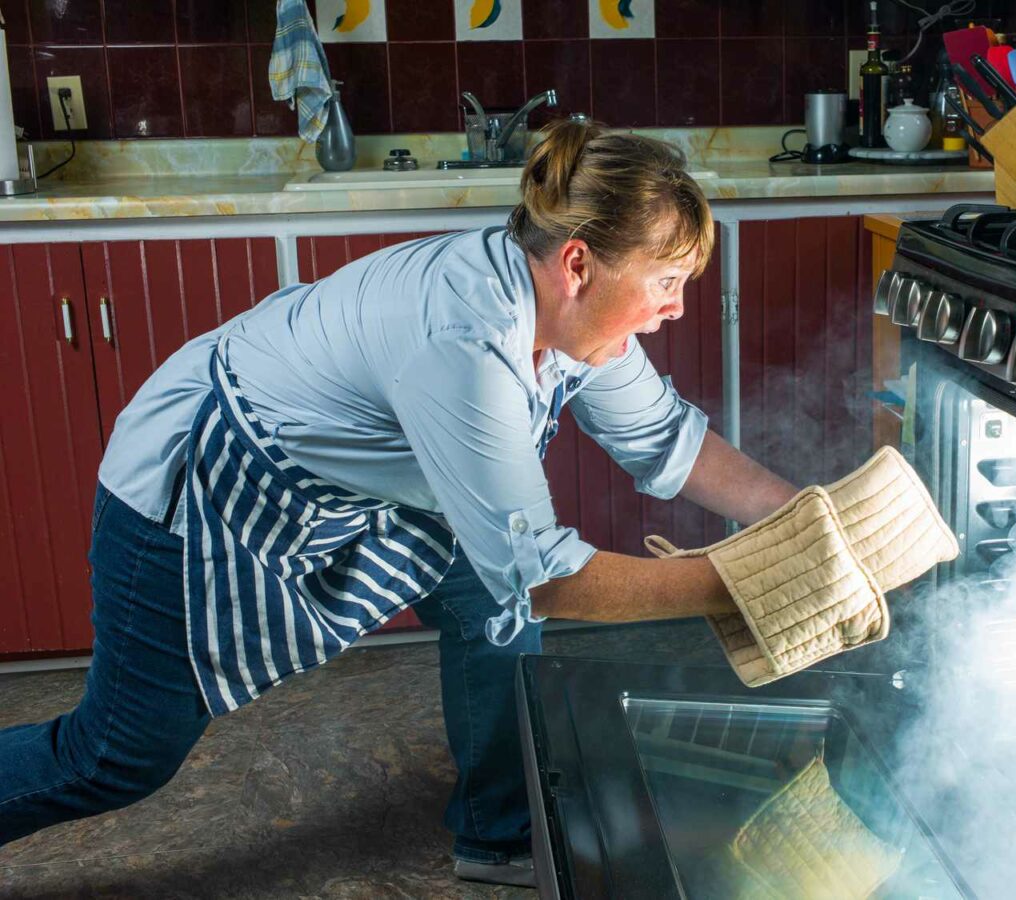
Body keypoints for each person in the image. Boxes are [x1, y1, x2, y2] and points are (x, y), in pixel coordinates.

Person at [0, 120, 799, 887]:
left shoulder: (572, 316)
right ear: (579, 264)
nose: (676, 308)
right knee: (114, 756)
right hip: (198, 483)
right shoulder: (463, 340)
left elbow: (665, 439)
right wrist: (752, 579)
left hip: (339, 480)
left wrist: (803, 519)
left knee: (490, 600)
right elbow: (546, 576)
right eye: (666, 282)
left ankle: (498, 833)